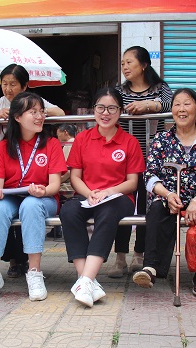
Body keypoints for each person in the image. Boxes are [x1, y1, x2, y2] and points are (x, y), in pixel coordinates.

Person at [131, 88, 196, 296]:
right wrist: (167, 194)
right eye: (177, 104)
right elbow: (150, 175)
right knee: (156, 210)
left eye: (187, 104)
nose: (181, 109)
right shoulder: (161, 139)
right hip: (169, 195)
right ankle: (151, 268)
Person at [0, 63, 65, 278]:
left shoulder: (50, 143)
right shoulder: (3, 145)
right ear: (17, 117)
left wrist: (44, 191)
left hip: (39, 197)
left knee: (31, 204)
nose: (8, 88)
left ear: (24, 86)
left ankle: (34, 272)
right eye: (4, 84)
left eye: (13, 84)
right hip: (11, 193)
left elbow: (54, 184)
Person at [60, 87, 145, 307]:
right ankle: (87, 281)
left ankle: (85, 280)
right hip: (87, 195)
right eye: (100, 108)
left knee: (108, 212)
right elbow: (75, 177)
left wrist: (108, 191)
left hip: (118, 198)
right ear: (94, 109)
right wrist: (89, 193)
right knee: (68, 211)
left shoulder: (129, 142)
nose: (105, 113)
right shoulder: (82, 139)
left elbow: (132, 183)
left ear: (120, 111)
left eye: (111, 108)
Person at [109, 45, 173, 278]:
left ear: (144, 64)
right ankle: (120, 257)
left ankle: (140, 254)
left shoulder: (160, 88)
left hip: (152, 158)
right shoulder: (119, 90)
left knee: (147, 208)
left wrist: (150, 105)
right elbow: (111, 109)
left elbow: (173, 105)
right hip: (124, 158)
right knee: (121, 203)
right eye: (122, 63)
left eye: (129, 62)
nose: (125, 67)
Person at [46, 123, 78, 238]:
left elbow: (67, 170)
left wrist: (57, 181)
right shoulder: (75, 143)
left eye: (58, 133)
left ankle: (57, 227)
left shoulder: (69, 145)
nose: (57, 136)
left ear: (65, 132)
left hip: (67, 184)